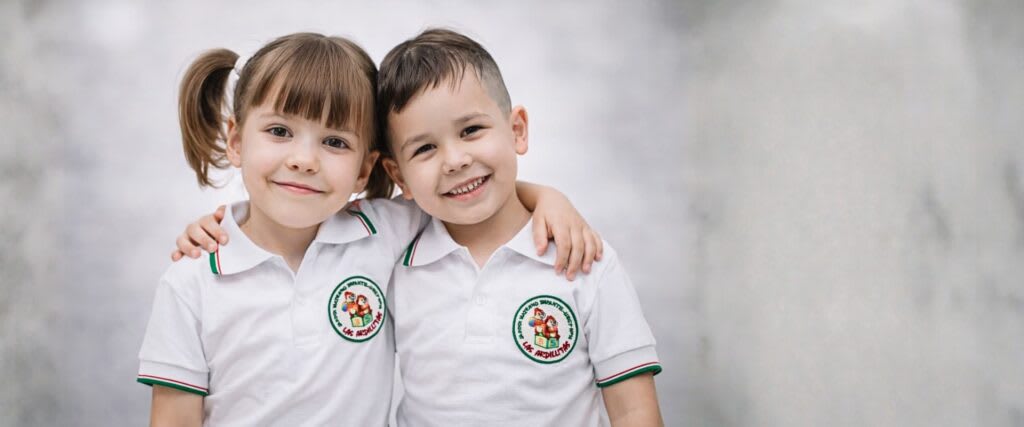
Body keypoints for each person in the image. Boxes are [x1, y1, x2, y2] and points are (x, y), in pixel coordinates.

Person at [140, 32, 600, 426]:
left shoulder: (384, 234)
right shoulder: (194, 277)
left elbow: (472, 194)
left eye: (335, 142)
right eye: (279, 131)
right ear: (237, 140)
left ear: (365, 170)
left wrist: (547, 198)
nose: (303, 159)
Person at [378, 29, 664, 426]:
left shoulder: (583, 258)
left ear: (517, 130)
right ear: (399, 175)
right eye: (425, 148)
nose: (455, 160)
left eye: (471, 130)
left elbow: (634, 410)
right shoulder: (392, 264)